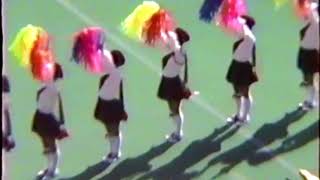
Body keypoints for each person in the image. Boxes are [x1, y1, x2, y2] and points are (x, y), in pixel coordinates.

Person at [32, 63, 69, 179]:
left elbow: (59, 107)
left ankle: (53, 171)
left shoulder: (53, 88)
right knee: (45, 145)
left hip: (48, 119)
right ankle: (49, 167)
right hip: (40, 117)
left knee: (51, 144)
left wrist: (62, 124)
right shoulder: (45, 84)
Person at [157, 27, 194, 143]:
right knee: (172, 110)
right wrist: (162, 29)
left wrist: (169, 34)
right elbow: (164, 41)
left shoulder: (180, 54)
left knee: (175, 109)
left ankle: (178, 133)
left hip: (174, 83)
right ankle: (176, 131)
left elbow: (172, 43)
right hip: (167, 82)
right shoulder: (174, 51)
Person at [94, 50, 128, 163]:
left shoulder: (116, 74)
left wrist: (101, 49)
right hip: (104, 103)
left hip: (112, 105)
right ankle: (112, 151)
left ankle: (116, 153)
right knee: (109, 130)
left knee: (114, 130)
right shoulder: (108, 75)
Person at [226, 15, 258, 124]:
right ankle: (238, 114)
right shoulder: (242, 36)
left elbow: (243, 27)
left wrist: (240, 20)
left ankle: (245, 117)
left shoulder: (250, 38)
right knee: (236, 92)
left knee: (245, 92)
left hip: (244, 67)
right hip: (235, 65)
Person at [296, 0, 319, 110]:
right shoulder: (308, 18)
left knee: (310, 77)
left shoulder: (314, 19)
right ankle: (310, 99)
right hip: (304, 50)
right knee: (307, 76)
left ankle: (312, 101)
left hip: (311, 52)